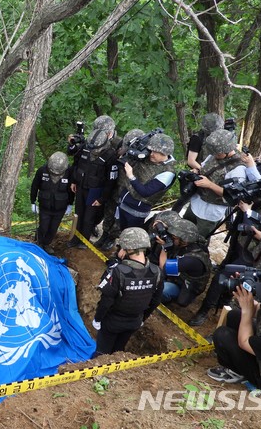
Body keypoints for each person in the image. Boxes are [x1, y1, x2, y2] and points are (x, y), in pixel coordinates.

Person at [190, 176, 261, 326]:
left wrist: (250, 213)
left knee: (226, 278)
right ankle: (206, 308)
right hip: (240, 241)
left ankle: (217, 308)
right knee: (224, 271)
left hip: (255, 254)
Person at [207, 275, 261, 390]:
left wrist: (246, 311)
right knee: (235, 316)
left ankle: (237, 372)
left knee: (222, 335)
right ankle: (236, 359)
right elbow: (257, 307)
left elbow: (244, 342)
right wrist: (241, 290)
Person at [92, 228, 163, 356]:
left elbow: (106, 300)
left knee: (101, 354)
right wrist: (142, 319)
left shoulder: (118, 271)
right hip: (134, 322)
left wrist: (97, 319)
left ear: (127, 249)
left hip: (112, 323)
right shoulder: (156, 272)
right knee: (119, 351)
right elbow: (156, 301)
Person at [183, 129, 260, 239]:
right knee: (183, 231)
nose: (214, 155)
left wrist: (210, 185)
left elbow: (233, 195)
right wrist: (197, 171)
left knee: (197, 240)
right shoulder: (214, 154)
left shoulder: (238, 169)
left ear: (227, 150)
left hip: (210, 212)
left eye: (217, 153)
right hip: (196, 202)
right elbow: (204, 167)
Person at [67, 129, 118, 249]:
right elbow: (76, 163)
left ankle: (84, 240)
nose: (93, 151)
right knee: (78, 214)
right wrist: (74, 180)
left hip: (95, 191)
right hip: (81, 186)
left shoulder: (110, 155)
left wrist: (102, 198)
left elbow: (111, 181)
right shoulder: (85, 147)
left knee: (89, 218)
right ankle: (75, 238)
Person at [96, 129, 145, 251]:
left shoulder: (142, 158)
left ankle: (111, 238)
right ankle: (104, 235)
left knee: (119, 221)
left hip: (127, 192)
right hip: (114, 186)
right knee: (109, 213)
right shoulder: (118, 144)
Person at [117, 133, 176, 230]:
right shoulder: (148, 157)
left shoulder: (168, 172)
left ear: (165, 153)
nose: (151, 154)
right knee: (122, 233)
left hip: (136, 211)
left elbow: (145, 192)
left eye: (155, 152)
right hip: (124, 203)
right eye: (150, 150)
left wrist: (131, 176)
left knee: (133, 237)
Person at [156, 219, 211, 307]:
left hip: (184, 286)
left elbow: (163, 267)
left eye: (174, 238)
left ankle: (166, 299)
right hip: (178, 275)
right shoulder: (193, 240)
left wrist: (164, 248)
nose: (171, 239)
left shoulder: (191, 260)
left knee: (161, 289)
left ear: (184, 240)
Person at [30, 152, 73, 254]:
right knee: (43, 227)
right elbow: (35, 186)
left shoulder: (69, 173)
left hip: (60, 208)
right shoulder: (42, 171)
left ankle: (46, 244)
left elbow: (71, 190)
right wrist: (33, 201)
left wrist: (70, 204)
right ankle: (39, 244)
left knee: (53, 229)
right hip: (45, 207)